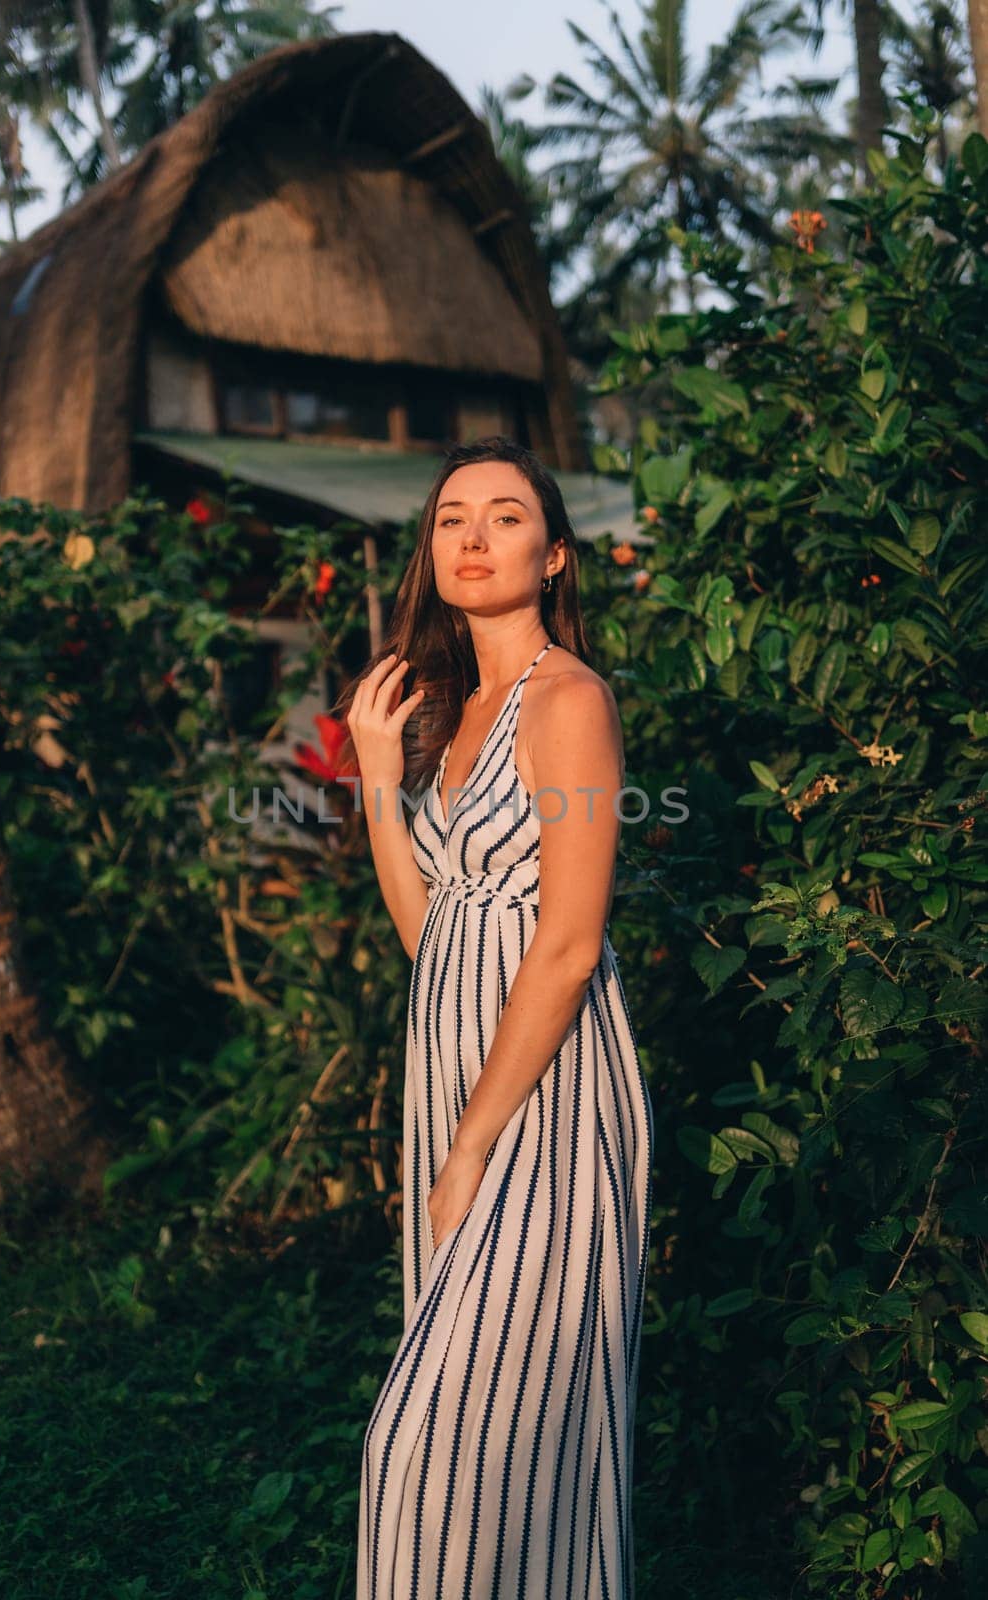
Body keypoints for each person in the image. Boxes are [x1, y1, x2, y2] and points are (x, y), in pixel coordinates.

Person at [339, 436, 654, 1598]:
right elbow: (433, 936)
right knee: (501, 1445)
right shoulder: (459, 708)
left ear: (556, 554)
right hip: (455, 1069)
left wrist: (475, 1139)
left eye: (506, 516)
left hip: (543, 1094)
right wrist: (378, 778)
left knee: (428, 1446)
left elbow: (566, 942)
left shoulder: (566, 699)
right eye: (452, 518)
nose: (472, 537)